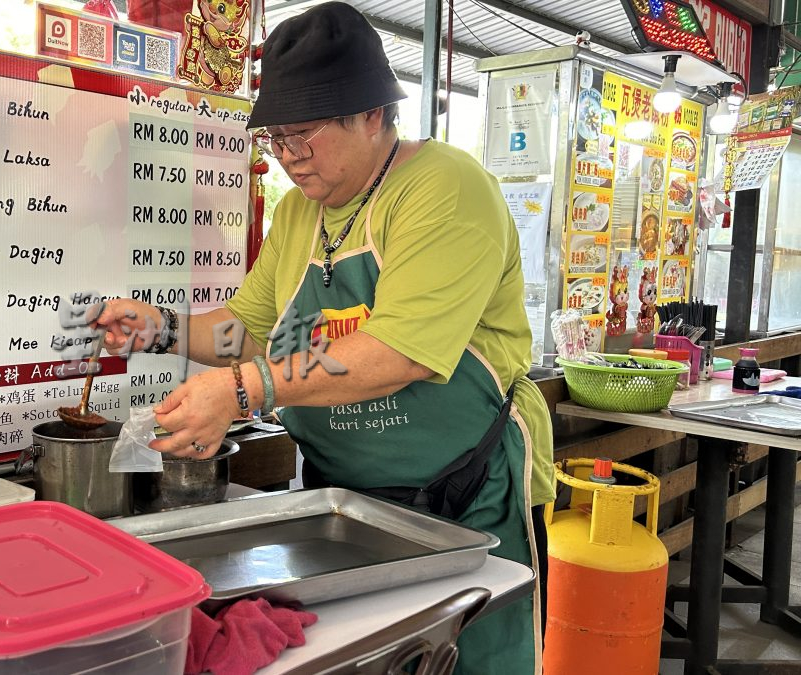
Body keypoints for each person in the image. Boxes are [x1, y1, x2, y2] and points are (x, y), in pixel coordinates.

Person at [93, 3, 553, 673]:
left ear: (372, 115)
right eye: (276, 137)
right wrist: (158, 327)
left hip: (464, 500)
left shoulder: (444, 189)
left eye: (304, 132)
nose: (288, 156)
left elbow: (398, 353)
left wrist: (243, 390)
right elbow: (247, 332)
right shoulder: (298, 213)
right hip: (342, 509)